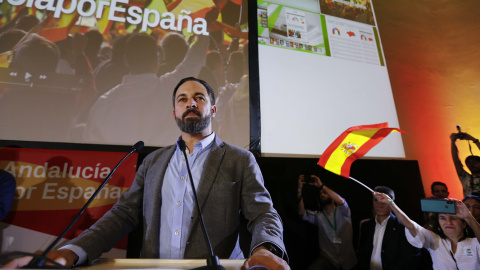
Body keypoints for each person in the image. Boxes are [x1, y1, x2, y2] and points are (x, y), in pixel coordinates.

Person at [5, 77, 289, 270]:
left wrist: (266, 248)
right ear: (174, 113)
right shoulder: (153, 161)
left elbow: (263, 213)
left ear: (212, 109)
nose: (190, 103)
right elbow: (123, 215)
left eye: (199, 98)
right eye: (182, 99)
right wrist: (71, 252)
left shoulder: (239, 159)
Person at [373, 192, 480, 269]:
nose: (448, 222)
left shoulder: (474, 243)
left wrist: (469, 217)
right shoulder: (435, 241)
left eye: (453, 218)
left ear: (464, 224)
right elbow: (411, 226)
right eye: (442, 218)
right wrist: (391, 204)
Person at [297, 175, 357, 270]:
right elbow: (302, 213)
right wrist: (299, 189)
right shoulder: (318, 216)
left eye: (325, 193)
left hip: (348, 261)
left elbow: (342, 202)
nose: (322, 195)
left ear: (332, 197)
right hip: (328, 260)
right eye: (320, 193)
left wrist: (321, 185)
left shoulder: (344, 212)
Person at [357, 186, 420, 270]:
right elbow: (362, 253)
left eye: (383, 201)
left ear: (391, 203)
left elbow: (409, 258)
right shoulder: (366, 225)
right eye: (376, 200)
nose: (379, 205)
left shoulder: (402, 226)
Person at [450, 132, 480, 196]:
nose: (472, 165)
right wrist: (453, 141)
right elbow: (456, 161)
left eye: (475, 162)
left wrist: (473, 139)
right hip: (469, 205)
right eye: (469, 163)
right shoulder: (465, 177)